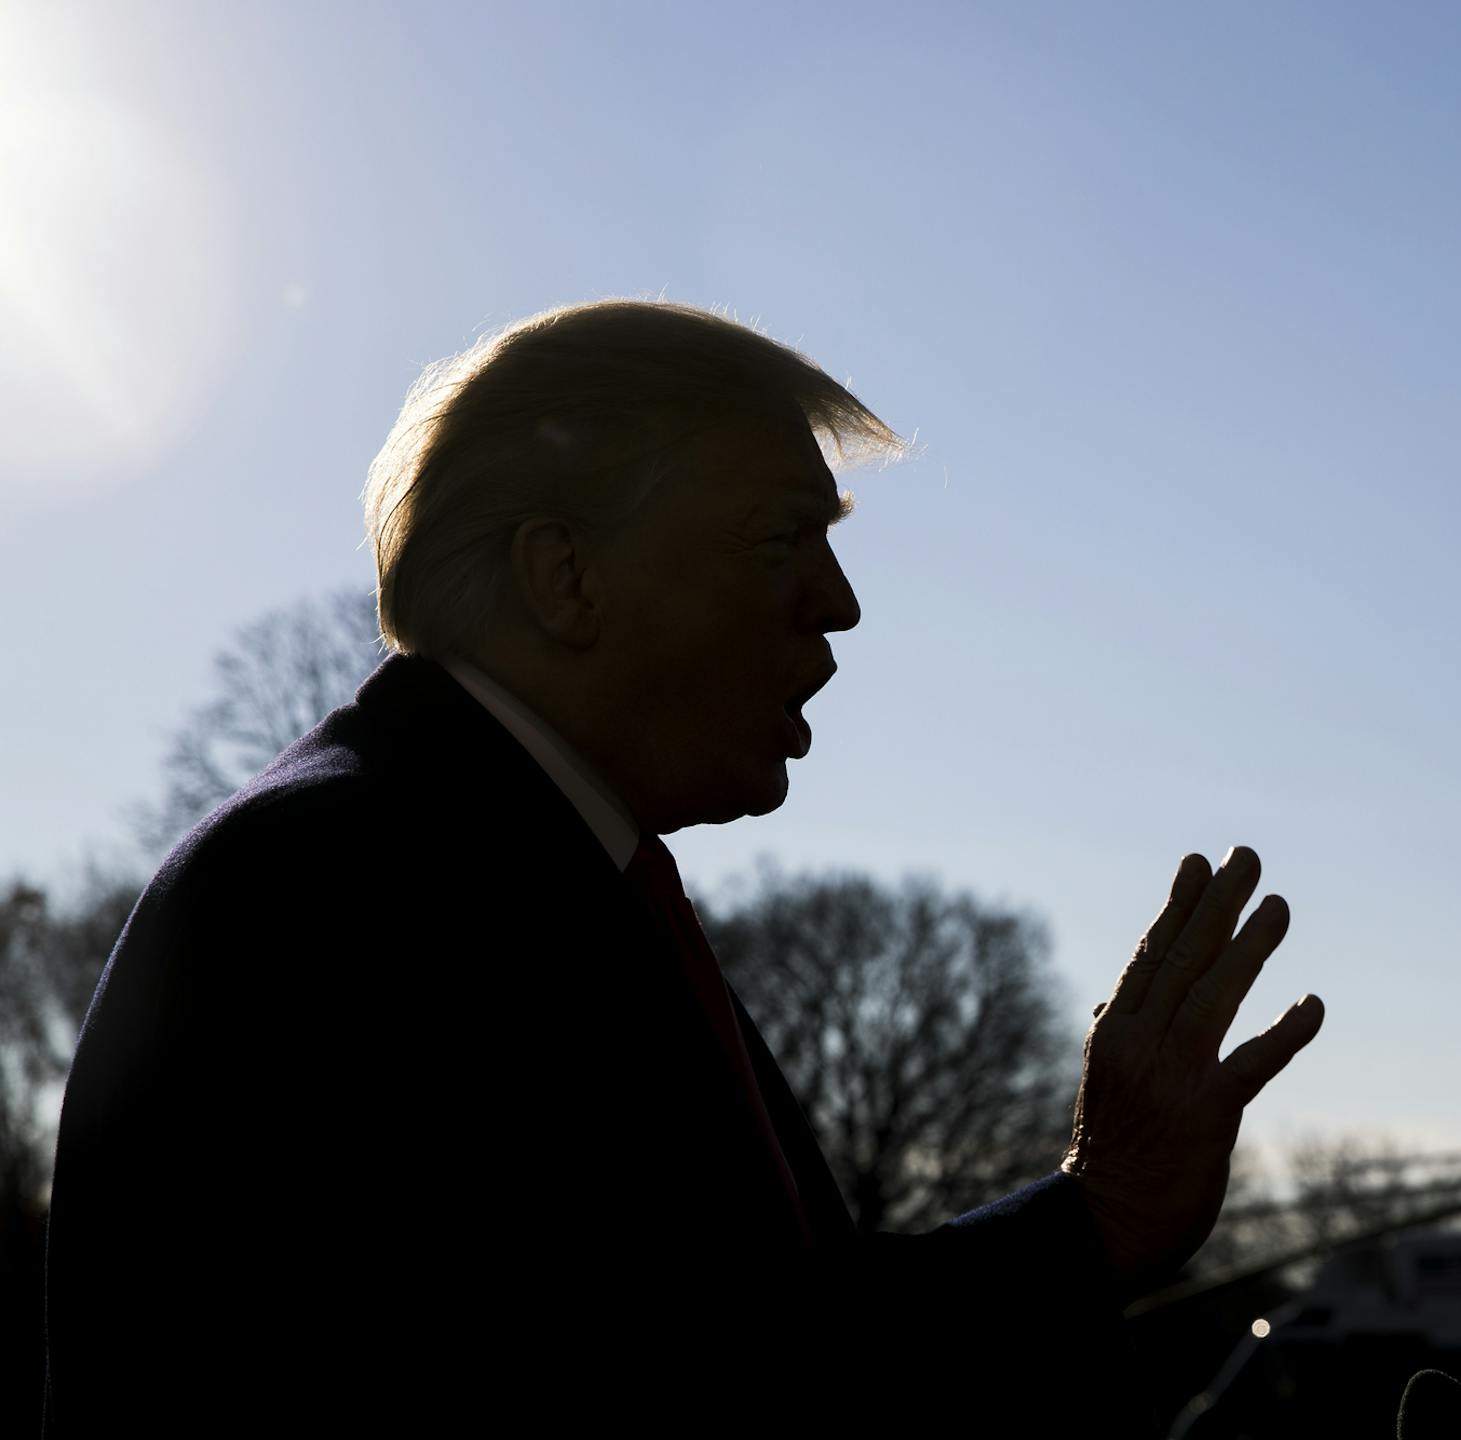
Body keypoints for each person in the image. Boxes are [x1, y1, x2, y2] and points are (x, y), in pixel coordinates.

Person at [41, 300, 1325, 1435]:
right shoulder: (343, 892)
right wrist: (1087, 1228)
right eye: (780, 541)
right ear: (566, 577)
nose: (840, 603)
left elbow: (744, 1346)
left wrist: (1095, 1219)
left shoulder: (499, 869)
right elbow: (714, 1409)